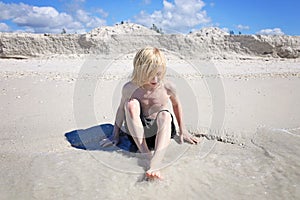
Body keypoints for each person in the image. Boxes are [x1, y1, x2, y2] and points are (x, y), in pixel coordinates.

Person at [100, 47, 199, 180]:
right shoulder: (129, 88)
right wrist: (115, 134)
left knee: (165, 115)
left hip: (161, 131)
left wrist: (183, 130)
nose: (155, 79)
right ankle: (146, 154)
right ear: (139, 70)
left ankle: (155, 163)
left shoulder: (167, 87)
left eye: (159, 74)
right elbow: (121, 110)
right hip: (137, 135)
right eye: (150, 75)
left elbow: (176, 105)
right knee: (130, 104)